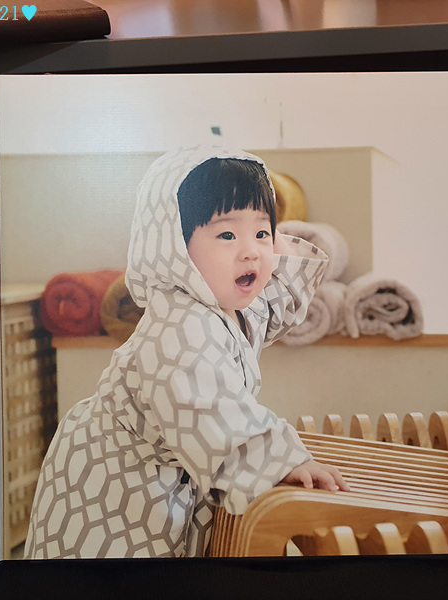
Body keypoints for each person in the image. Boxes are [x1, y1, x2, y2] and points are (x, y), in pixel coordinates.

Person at [24, 146, 348, 559]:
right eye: (227, 235)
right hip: (115, 487)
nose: (251, 251)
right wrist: (279, 460)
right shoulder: (179, 323)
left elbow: (274, 303)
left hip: (165, 478)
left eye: (262, 233)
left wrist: (276, 241)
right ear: (174, 247)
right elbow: (209, 405)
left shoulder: (226, 307)